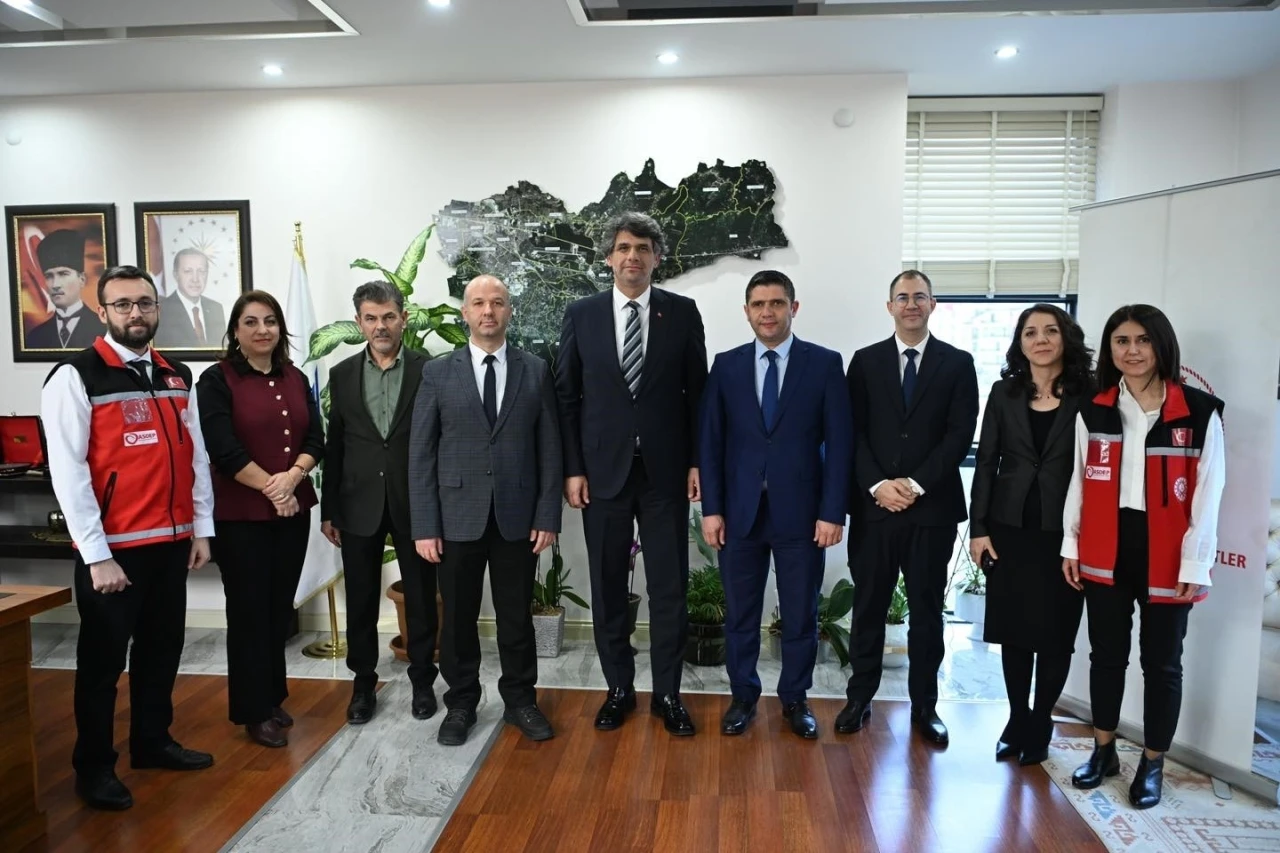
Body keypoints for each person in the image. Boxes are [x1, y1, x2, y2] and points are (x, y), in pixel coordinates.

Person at [41, 264, 215, 811]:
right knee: (101, 665)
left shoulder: (176, 374)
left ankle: (152, 741)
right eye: (123, 304)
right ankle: (93, 767)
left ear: (157, 308)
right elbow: (67, 473)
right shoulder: (76, 376)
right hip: (113, 555)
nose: (135, 313)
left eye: (144, 303)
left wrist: (201, 528)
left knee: (161, 652)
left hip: (171, 545)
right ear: (103, 311)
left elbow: (197, 458)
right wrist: (96, 555)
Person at [1062, 304, 1225, 809]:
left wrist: (1195, 563)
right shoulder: (1094, 409)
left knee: (1163, 663)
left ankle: (1152, 763)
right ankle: (1104, 751)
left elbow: (1209, 492)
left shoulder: (1199, 411)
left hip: (1169, 553)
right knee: (1106, 656)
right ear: (1110, 349)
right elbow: (1078, 481)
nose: (1131, 351)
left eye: (1142, 340)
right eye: (1121, 341)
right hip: (1106, 546)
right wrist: (1071, 543)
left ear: (1161, 345)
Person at [555, 211, 708, 736]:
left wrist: (697, 461)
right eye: (623, 248)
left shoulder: (682, 313)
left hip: (666, 475)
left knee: (668, 589)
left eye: (643, 248)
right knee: (607, 587)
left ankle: (668, 693)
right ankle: (618, 688)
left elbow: (698, 395)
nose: (632, 257)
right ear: (608, 258)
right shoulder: (582, 315)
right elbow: (567, 397)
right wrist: (573, 469)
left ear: (657, 257)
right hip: (602, 476)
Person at [410, 275, 562, 746]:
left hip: (518, 518)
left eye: (497, 302)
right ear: (465, 313)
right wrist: (425, 526)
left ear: (509, 311)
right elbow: (421, 453)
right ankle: (461, 702)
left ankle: (520, 700)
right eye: (478, 303)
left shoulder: (535, 370)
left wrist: (547, 516)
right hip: (456, 517)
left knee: (516, 617)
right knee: (457, 619)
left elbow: (549, 449)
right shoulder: (438, 372)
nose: (488, 311)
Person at [699, 270, 852, 739]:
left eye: (777, 303)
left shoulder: (824, 364)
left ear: (793, 308)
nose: (768, 312)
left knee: (801, 614)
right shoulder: (726, 365)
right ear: (746, 311)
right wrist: (712, 509)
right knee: (741, 614)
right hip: (739, 514)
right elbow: (711, 443)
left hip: (802, 516)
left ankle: (795, 699)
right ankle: (743, 696)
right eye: (759, 304)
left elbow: (840, 444)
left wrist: (832, 511)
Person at [837, 270, 978, 745]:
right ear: (890, 306)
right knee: (868, 609)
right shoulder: (865, 361)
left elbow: (959, 434)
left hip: (931, 511)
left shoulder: (958, 363)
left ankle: (925, 706)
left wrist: (915, 484)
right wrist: (878, 484)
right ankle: (859, 698)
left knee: (927, 613)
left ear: (933, 304)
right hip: (874, 509)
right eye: (903, 297)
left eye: (920, 296)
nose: (911, 304)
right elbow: (851, 432)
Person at [195, 290, 323, 749]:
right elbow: (222, 449)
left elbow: (316, 437)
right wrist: (275, 488)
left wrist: (293, 478)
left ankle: (272, 697)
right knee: (249, 613)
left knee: (278, 609)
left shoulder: (295, 375)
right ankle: (252, 711)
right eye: (250, 322)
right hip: (241, 518)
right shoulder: (216, 380)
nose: (262, 329)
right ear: (235, 330)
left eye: (270, 321)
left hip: (293, 512)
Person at [968, 304, 1092, 765]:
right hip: (1010, 528)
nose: (1040, 340)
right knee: (1014, 632)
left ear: (1065, 338)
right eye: (1030, 332)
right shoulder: (1004, 392)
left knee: (1056, 634)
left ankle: (1042, 720)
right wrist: (979, 529)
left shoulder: (1091, 393)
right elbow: (986, 461)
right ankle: (1017, 717)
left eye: (1050, 331)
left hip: (1067, 533)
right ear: (1020, 343)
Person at [322, 280, 439, 725]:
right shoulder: (342, 374)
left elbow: (441, 441)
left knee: (422, 598)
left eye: (388, 316)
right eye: (371, 318)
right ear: (359, 323)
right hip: (357, 505)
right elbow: (335, 447)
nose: (380, 326)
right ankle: (362, 684)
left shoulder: (430, 370)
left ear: (403, 318)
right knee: (362, 599)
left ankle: (423, 680)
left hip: (416, 504)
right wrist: (329, 510)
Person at [26, 228, 107, 350]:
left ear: (82, 279)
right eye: (49, 276)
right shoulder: (35, 336)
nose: (55, 285)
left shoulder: (104, 330)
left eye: (63, 274)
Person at [154, 248, 226, 349]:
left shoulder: (216, 308)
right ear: (176, 275)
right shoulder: (161, 311)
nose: (195, 279)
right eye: (188, 271)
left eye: (201, 271)